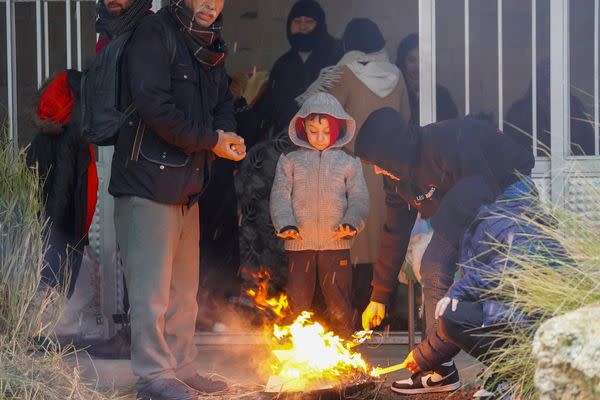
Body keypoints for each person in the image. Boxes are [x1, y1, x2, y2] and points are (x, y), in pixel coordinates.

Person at [108, 0, 246, 398]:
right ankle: (153, 375)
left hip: (187, 188)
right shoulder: (155, 34)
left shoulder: (209, 41)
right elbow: (155, 107)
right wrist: (211, 141)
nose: (210, 3)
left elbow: (222, 102)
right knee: (151, 293)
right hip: (147, 185)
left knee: (184, 292)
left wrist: (226, 133)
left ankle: (182, 367)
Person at [356, 108, 535, 394]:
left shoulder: (446, 142)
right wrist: (378, 296)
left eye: (377, 162)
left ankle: (509, 369)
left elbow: (481, 190)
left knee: (491, 277)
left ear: (393, 151)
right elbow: (395, 230)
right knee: (433, 265)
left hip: (504, 190)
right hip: (462, 203)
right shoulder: (395, 177)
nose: (376, 169)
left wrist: (430, 348)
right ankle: (439, 370)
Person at [394, 180, 564, 398]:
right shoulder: (477, 229)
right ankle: (508, 373)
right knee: (457, 314)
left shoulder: (498, 222)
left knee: (455, 314)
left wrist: (460, 290)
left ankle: (519, 373)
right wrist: (424, 356)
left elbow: (508, 268)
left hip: (543, 327)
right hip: (525, 321)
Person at [297, 18, 411, 321]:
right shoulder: (396, 76)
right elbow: (406, 121)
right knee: (386, 243)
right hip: (390, 171)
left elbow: (321, 117)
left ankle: (349, 316)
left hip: (352, 169)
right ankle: (385, 316)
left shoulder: (343, 73)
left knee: (351, 246)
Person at [270, 93, 369, 336]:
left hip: (336, 242)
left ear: (338, 130)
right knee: (298, 301)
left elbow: (359, 198)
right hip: (299, 242)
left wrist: (352, 223)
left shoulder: (348, 162)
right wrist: (284, 224)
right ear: (302, 128)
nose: (320, 138)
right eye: (314, 132)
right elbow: (280, 195)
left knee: (339, 302)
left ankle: (345, 348)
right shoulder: (290, 161)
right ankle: (295, 350)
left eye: (326, 132)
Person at [86, 0, 152, 361]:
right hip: (121, 148)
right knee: (130, 247)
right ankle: (131, 333)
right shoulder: (107, 32)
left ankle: (147, 339)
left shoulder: (151, 30)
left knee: (147, 253)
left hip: (151, 152)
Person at [27, 70, 98, 299]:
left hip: (48, 231)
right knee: (54, 299)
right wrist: (53, 237)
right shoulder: (71, 136)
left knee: (44, 299)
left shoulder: (41, 136)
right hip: (63, 233)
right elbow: (62, 190)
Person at [253, 0, 343, 138]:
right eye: (297, 21)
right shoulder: (283, 64)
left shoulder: (336, 56)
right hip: (286, 141)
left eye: (309, 21)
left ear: (319, 25)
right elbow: (269, 107)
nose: (302, 26)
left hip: (325, 138)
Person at [505, 58, 596, 156]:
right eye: (546, 76)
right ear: (538, 79)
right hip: (532, 169)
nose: (550, 81)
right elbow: (511, 150)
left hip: (573, 168)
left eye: (554, 76)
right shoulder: (520, 110)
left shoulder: (574, 106)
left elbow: (589, 145)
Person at [396, 33, 459, 124]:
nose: (418, 67)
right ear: (403, 63)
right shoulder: (396, 94)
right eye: (412, 60)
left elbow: (453, 132)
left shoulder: (442, 95)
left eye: (422, 60)